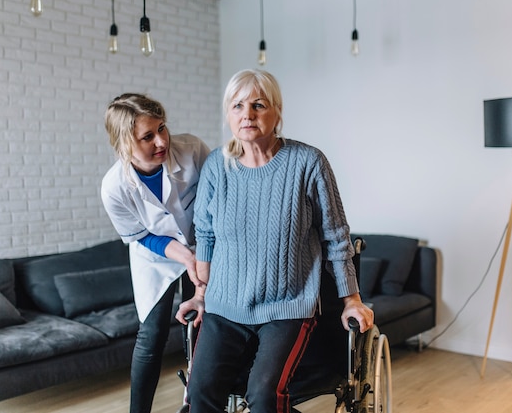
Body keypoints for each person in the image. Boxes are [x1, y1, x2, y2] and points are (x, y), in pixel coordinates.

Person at [176, 69, 374, 413]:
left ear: (276, 112)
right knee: (200, 392)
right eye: (237, 106)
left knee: (264, 394)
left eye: (258, 104)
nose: (247, 114)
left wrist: (352, 300)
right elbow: (205, 234)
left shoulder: (308, 163)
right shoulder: (215, 168)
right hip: (225, 306)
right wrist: (201, 294)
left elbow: (336, 237)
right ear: (228, 115)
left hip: (287, 307)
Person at [101, 93, 210, 413]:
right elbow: (140, 235)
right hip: (155, 258)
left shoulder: (192, 151)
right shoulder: (114, 187)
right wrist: (186, 257)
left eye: (162, 128)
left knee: (204, 327)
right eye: (148, 136)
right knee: (151, 336)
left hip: (203, 246)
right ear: (123, 143)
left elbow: (216, 207)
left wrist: (199, 258)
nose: (161, 141)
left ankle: (200, 404)